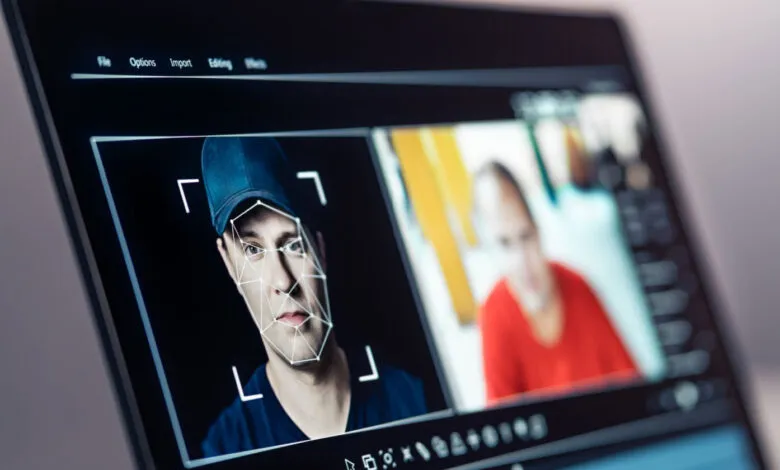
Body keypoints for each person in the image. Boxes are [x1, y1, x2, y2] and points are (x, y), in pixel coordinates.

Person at [200, 137, 427, 457]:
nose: (283, 280)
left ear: (319, 249)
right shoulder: (226, 449)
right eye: (253, 250)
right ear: (228, 262)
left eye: (293, 244)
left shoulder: (414, 402)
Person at [473, 161, 638, 405]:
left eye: (525, 236)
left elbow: (631, 384)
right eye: (505, 243)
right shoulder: (493, 314)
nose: (522, 262)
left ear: (538, 230)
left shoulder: (577, 285)